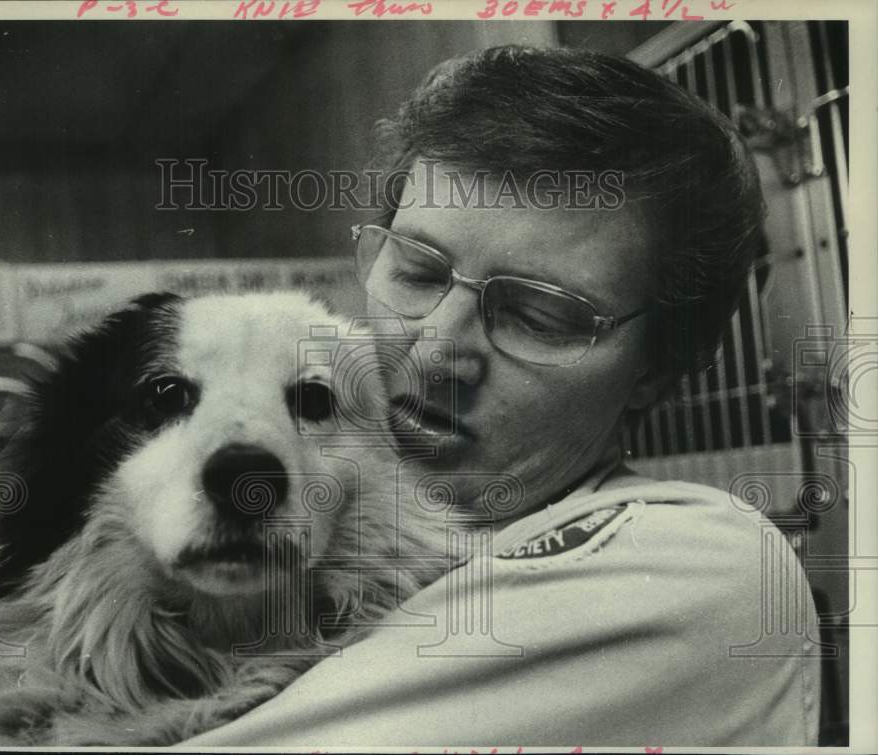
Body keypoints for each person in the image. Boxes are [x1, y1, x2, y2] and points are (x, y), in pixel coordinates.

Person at [185, 45, 819, 747]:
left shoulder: (692, 564)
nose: (432, 351)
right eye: (418, 272)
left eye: (537, 316)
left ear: (659, 370)